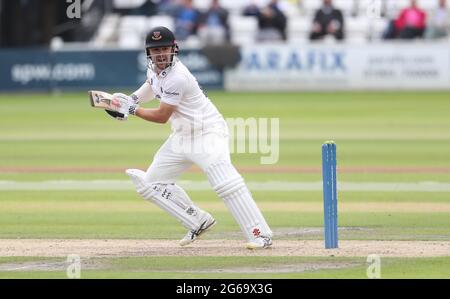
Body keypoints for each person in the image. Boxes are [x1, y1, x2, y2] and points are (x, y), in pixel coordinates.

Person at [106, 26, 273, 249]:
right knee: (150, 184)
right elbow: (151, 85)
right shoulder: (154, 70)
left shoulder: (178, 77)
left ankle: (260, 234)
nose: (161, 54)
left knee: (225, 183)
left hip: (207, 133)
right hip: (182, 136)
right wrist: (132, 100)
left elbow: (162, 116)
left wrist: (132, 110)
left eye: (165, 48)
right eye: (156, 50)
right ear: (149, 53)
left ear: (174, 49)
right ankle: (198, 220)